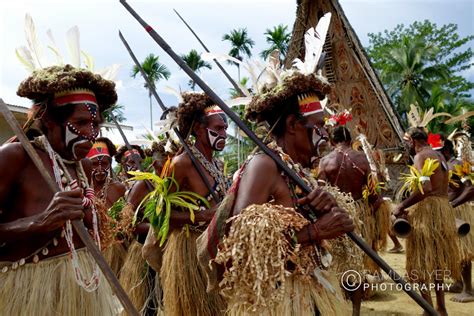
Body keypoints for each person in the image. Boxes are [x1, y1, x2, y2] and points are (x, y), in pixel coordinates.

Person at [0, 64, 118, 314]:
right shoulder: (16, 157)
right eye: (81, 123)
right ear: (50, 120)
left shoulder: (82, 166)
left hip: (83, 288)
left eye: (96, 124)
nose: (91, 134)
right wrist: (39, 222)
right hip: (29, 292)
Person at [157, 92, 229, 316]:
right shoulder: (181, 164)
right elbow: (159, 217)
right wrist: (202, 216)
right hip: (189, 251)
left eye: (225, 128)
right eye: (218, 129)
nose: (224, 134)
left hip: (217, 248)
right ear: (198, 129)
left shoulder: (217, 163)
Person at [319, 125, 387, 314]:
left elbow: (320, 193)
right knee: (356, 264)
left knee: (335, 262)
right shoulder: (363, 159)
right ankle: (356, 311)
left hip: (334, 215)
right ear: (350, 139)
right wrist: (367, 215)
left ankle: (337, 306)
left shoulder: (325, 161)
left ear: (332, 141)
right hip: (359, 216)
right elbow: (375, 196)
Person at [393, 127, 460, 316]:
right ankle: (441, 308)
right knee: (436, 261)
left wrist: (401, 206)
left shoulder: (421, 156)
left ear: (413, 141)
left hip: (428, 213)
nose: (406, 147)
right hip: (442, 211)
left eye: (406, 143)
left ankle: (428, 309)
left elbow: (426, 187)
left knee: (420, 262)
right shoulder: (439, 156)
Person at [86, 137, 127, 276]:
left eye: (104, 164)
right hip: (87, 249)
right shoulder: (81, 188)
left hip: (113, 249)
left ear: (109, 164)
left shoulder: (119, 188)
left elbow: (125, 220)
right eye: (94, 164)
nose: (99, 169)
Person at [440, 137, 474, 302]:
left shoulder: (457, 164)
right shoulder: (445, 165)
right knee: (452, 250)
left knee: (463, 251)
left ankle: (468, 290)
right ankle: (458, 282)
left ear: (446, 150)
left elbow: (471, 189)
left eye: (438, 152)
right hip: (450, 211)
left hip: (459, 212)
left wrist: (452, 205)